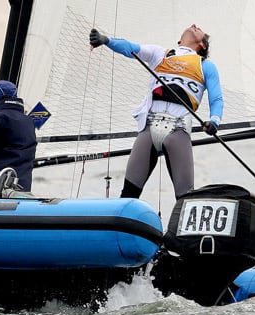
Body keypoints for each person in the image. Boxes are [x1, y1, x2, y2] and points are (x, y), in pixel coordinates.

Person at [89, 25, 223, 200]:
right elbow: (131, 48)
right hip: (149, 129)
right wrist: (106, 41)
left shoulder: (206, 66)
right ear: (179, 41)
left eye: (199, 29)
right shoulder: (160, 53)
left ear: (202, 45)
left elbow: (216, 100)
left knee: (186, 199)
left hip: (178, 130)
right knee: (128, 194)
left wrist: (214, 121)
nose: (195, 26)